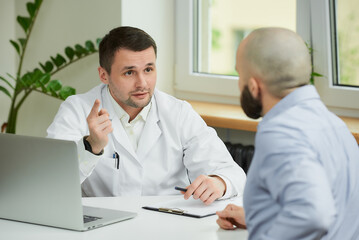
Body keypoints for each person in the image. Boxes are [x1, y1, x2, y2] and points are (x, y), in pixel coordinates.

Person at [47, 26, 246, 205]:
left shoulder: (178, 113)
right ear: (103, 75)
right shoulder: (77, 110)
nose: (142, 83)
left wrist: (219, 182)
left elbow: (231, 173)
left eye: (148, 69)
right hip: (103, 228)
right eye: (129, 73)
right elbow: (51, 182)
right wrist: (92, 146)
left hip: (168, 224)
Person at [216, 27, 359, 239]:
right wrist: (260, 219)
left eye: (240, 75)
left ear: (254, 86)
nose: (239, 84)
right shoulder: (334, 125)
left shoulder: (282, 132)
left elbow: (314, 215)